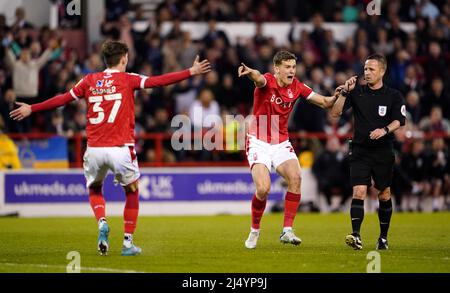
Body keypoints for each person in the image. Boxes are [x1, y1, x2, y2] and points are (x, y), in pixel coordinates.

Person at [10, 41, 211, 256]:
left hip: (94, 149)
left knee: (95, 189)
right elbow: (158, 82)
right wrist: (191, 71)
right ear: (124, 58)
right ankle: (127, 243)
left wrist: (33, 107)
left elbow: (63, 99)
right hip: (120, 148)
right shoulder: (128, 79)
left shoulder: (89, 80)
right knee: (131, 192)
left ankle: (102, 222)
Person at [238, 50, 342, 249]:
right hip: (258, 140)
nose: (291, 71)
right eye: (287, 67)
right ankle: (255, 230)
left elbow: (325, 103)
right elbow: (258, 78)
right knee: (263, 188)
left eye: (293, 67)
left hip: (281, 142)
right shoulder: (267, 81)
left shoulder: (297, 87)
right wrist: (250, 72)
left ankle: (287, 230)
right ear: (277, 69)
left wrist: (337, 95)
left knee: (296, 177)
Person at [330, 53, 406, 250]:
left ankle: (383, 238)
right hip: (360, 150)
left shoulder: (394, 95)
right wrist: (345, 92)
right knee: (359, 191)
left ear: (382, 71)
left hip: (383, 151)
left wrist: (385, 130)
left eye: (371, 69)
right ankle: (356, 235)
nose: (367, 72)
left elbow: (400, 120)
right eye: (365, 69)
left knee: (384, 194)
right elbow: (335, 113)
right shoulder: (357, 92)